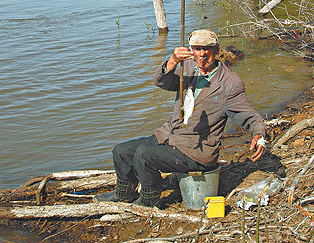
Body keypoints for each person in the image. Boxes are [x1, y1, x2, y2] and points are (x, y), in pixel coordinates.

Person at [95, 29, 267, 207]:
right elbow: (161, 82)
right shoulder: (187, 67)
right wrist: (173, 61)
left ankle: (148, 199)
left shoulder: (230, 83)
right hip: (169, 135)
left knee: (145, 155)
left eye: (206, 49)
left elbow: (250, 115)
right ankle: (123, 193)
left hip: (196, 151)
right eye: (196, 49)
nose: (201, 55)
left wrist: (259, 135)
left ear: (216, 50)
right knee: (121, 152)